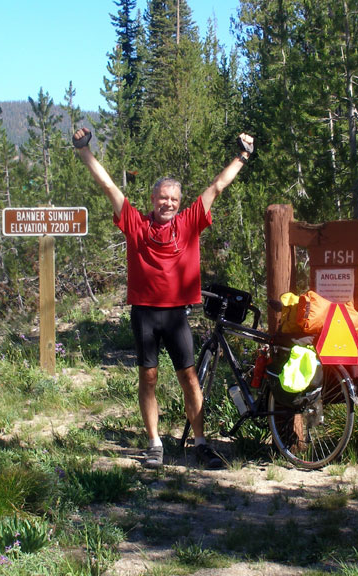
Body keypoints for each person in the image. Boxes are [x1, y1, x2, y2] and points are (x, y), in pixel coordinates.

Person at [73, 127, 254, 469]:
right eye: (162, 198)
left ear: (179, 202)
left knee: (189, 377)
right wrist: (84, 150)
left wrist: (242, 155)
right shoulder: (135, 222)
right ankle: (155, 443)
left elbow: (217, 186)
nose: (167, 203)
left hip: (176, 316)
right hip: (144, 314)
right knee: (148, 377)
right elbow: (108, 186)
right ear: (152, 199)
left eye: (173, 198)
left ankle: (200, 442)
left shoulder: (188, 223)